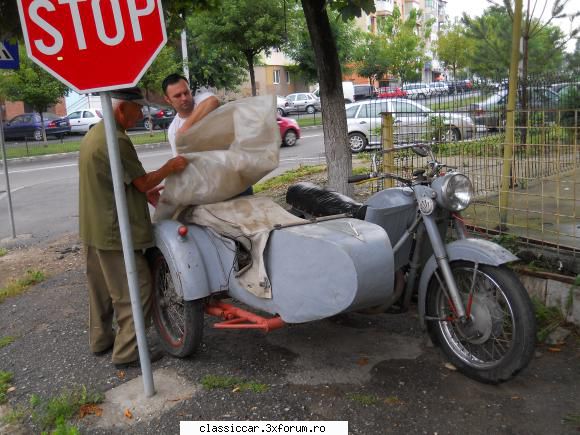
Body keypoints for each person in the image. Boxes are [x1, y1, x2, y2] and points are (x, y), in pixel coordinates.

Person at [78, 87, 189, 369]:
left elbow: (118, 181)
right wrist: (169, 167)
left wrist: (144, 191)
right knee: (136, 289)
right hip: (114, 230)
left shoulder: (95, 133)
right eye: (137, 109)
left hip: (93, 226)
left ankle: (100, 340)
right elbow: (141, 182)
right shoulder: (116, 140)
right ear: (121, 109)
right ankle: (127, 351)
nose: (141, 114)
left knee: (100, 290)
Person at [162, 73, 220, 156]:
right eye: (178, 96)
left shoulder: (203, 99)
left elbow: (213, 101)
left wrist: (184, 130)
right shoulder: (173, 131)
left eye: (186, 92)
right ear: (167, 99)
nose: (184, 98)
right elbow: (180, 159)